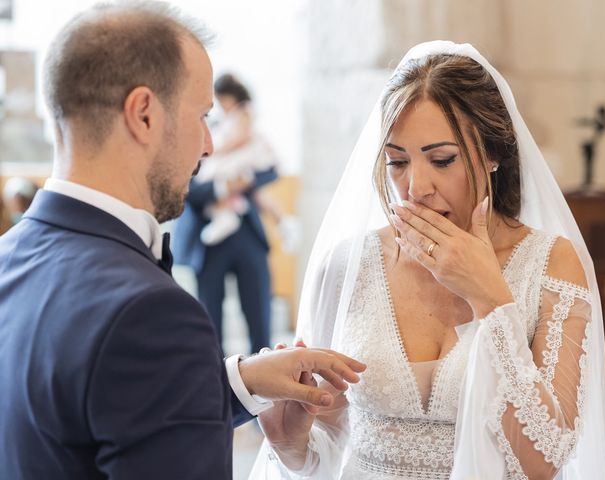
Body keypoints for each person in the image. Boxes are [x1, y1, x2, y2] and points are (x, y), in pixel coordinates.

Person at [0, 3, 366, 479]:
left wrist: (236, 382)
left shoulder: (9, 256)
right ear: (145, 114)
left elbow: (86, 414)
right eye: (202, 116)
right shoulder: (150, 315)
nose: (209, 146)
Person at [252, 41, 605, 479]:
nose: (415, 187)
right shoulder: (348, 265)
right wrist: (291, 444)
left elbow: (545, 462)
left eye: (442, 159)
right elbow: (329, 436)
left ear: (494, 153)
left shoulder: (552, 264)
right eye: (397, 162)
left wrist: (491, 299)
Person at [172, 74, 277, 355]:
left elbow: (270, 170)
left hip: (247, 234)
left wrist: (245, 179)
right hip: (208, 241)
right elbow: (187, 189)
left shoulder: (245, 129)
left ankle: (267, 380)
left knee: (259, 316)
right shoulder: (203, 134)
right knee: (209, 320)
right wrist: (222, 187)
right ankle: (214, 383)